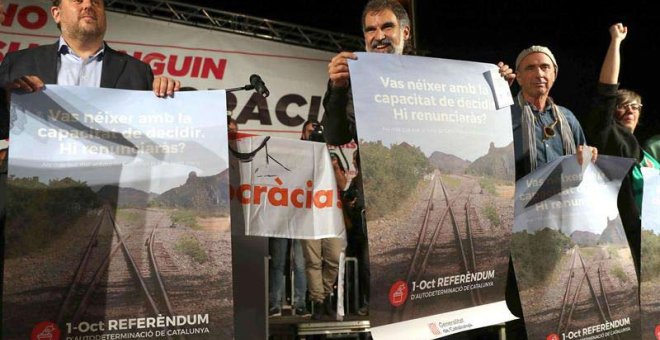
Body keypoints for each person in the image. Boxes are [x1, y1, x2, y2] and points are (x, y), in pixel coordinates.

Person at [499, 45, 598, 339]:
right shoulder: (505, 114)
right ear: (517, 76)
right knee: (524, 311)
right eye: (530, 67)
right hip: (520, 230)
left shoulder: (568, 118)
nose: (539, 73)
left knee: (564, 303)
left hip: (562, 227)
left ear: (554, 74)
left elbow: (584, 170)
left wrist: (587, 159)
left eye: (545, 67)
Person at [585, 23, 659, 277]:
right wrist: (616, 42)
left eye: (635, 107)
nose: (630, 111)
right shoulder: (607, 136)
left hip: (651, 237)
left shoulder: (645, 151)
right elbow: (606, 92)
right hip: (623, 237)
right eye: (623, 106)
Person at [299, 119, 344, 320]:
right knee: (313, 261)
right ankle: (318, 301)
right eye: (311, 132)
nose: (314, 136)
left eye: (317, 133)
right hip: (308, 218)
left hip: (331, 218)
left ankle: (324, 295)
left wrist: (334, 167)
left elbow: (342, 185)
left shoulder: (331, 156)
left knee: (334, 259)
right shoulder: (298, 156)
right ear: (303, 135)